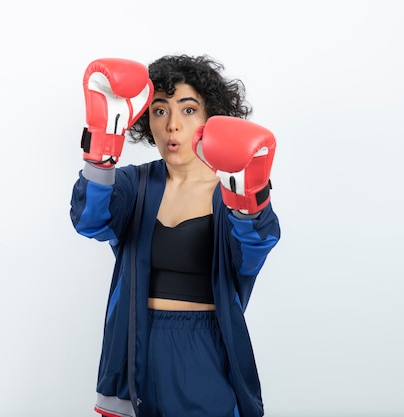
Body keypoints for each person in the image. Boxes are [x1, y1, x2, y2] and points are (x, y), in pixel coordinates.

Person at [70, 54, 281, 417]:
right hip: (134, 346)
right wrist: (102, 148)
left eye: (187, 110)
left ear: (210, 117)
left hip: (203, 350)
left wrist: (249, 202)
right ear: (143, 118)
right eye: (160, 110)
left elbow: (253, 252)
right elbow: (89, 220)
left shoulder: (232, 189)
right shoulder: (134, 184)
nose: (172, 127)